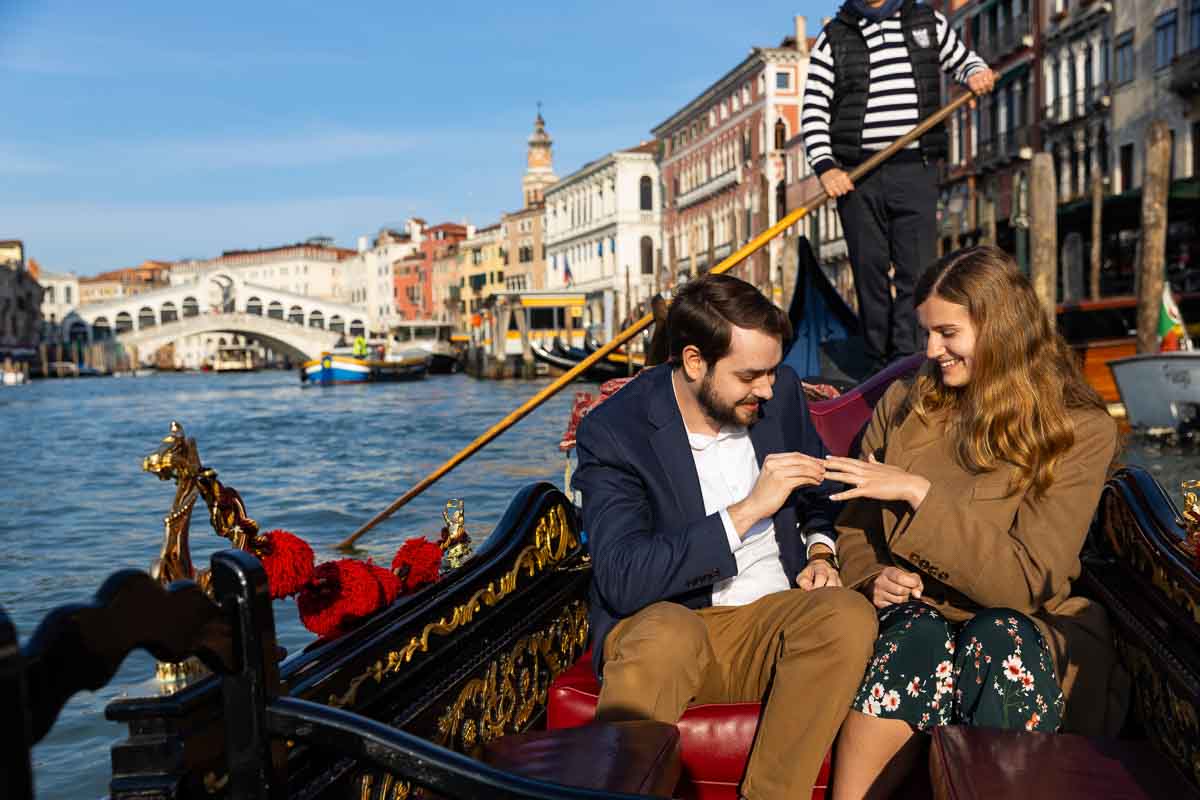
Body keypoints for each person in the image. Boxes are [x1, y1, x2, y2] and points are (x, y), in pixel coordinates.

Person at [821, 247, 1123, 798]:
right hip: (915, 615)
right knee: (917, 634)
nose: (931, 351)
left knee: (999, 636)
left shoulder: (1077, 430)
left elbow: (1027, 582)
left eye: (948, 333)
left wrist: (918, 493)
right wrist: (871, 578)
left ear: (1001, 328)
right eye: (927, 333)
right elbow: (856, 526)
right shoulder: (904, 403)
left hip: (1024, 620)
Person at [572, 273, 878, 799]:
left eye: (772, 371)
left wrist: (821, 552)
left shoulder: (778, 399)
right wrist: (749, 510)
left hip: (767, 622)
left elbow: (815, 498)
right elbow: (623, 578)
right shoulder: (616, 431)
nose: (767, 388)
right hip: (665, 621)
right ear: (695, 362)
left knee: (847, 614)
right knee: (671, 632)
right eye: (750, 375)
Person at [802, 0, 995, 375]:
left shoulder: (925, 20)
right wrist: (826, 168)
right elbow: (814, 108)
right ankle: (877, 363)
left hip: (915, 168)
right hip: (856, 177)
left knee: (918, 272)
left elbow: (963, 60)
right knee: (868, 272)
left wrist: (976, 73)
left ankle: (911, 359)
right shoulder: (834, 37)